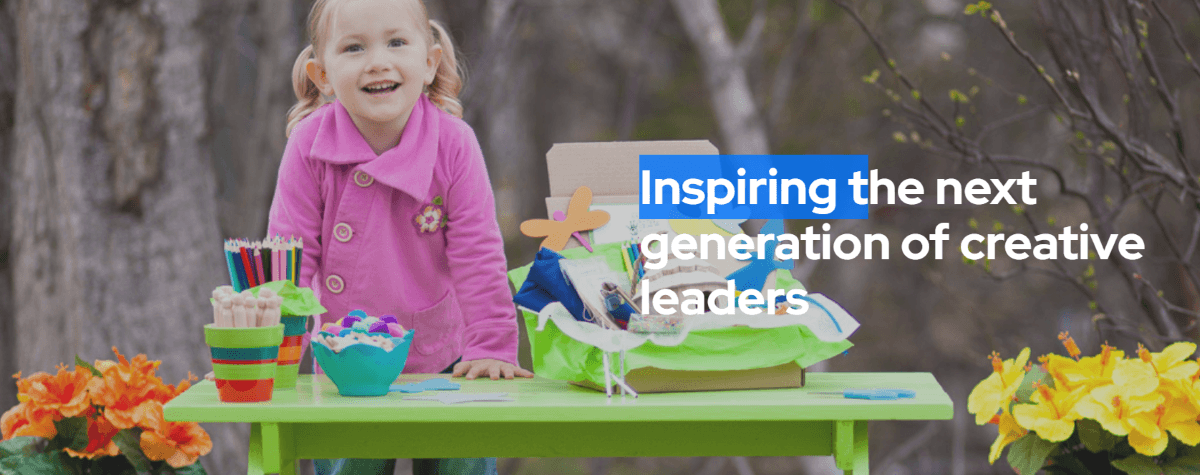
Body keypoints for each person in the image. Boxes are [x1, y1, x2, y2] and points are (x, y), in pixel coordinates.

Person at [267, 0, 533, 473]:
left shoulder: (454, 143)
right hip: (346, 363)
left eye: (396, 42)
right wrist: (271, 355)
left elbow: (478, 255)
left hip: (444, 359)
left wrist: (491, 347)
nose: (377, 61)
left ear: (429, 63)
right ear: (322, 74)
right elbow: (289, 263)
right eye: (353, 47)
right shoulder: (308, 146)